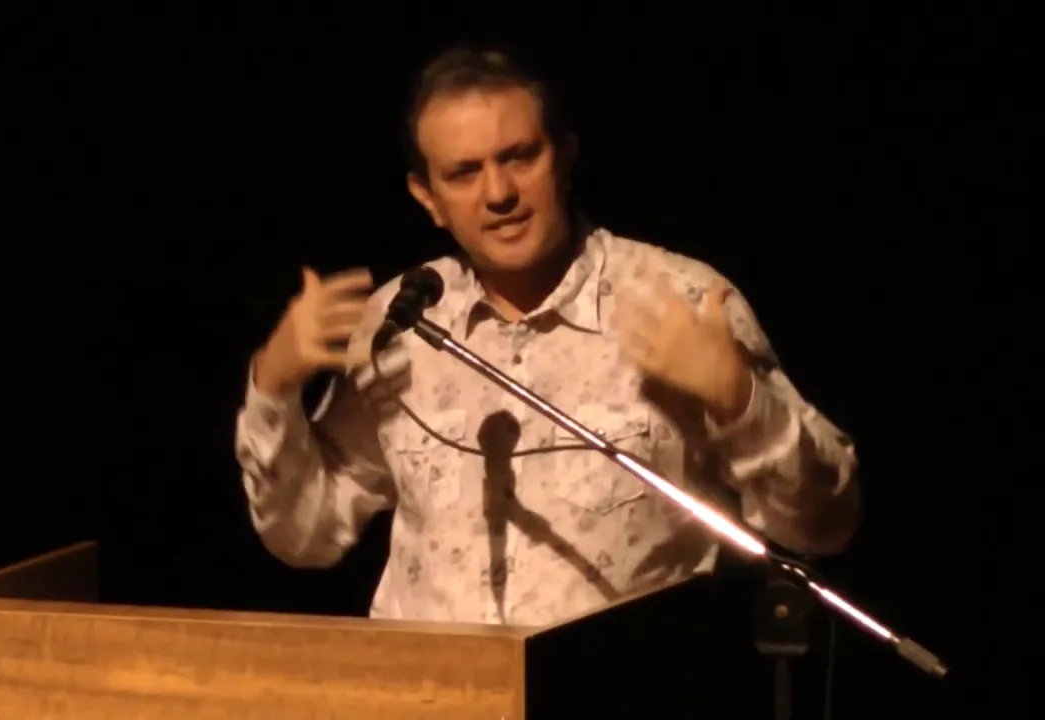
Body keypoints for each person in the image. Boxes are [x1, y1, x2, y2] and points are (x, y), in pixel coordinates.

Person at [234, 45, 860, 626]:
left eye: (519, 157)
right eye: (464, 173)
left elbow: (824, 525)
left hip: (618, 686)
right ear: (428, 198)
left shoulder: (681, 301)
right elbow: (304, 536)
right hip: (424, 689)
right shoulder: (401, 322)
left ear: (564, 156)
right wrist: (274, 384)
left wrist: (740, 399)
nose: (499, 193)